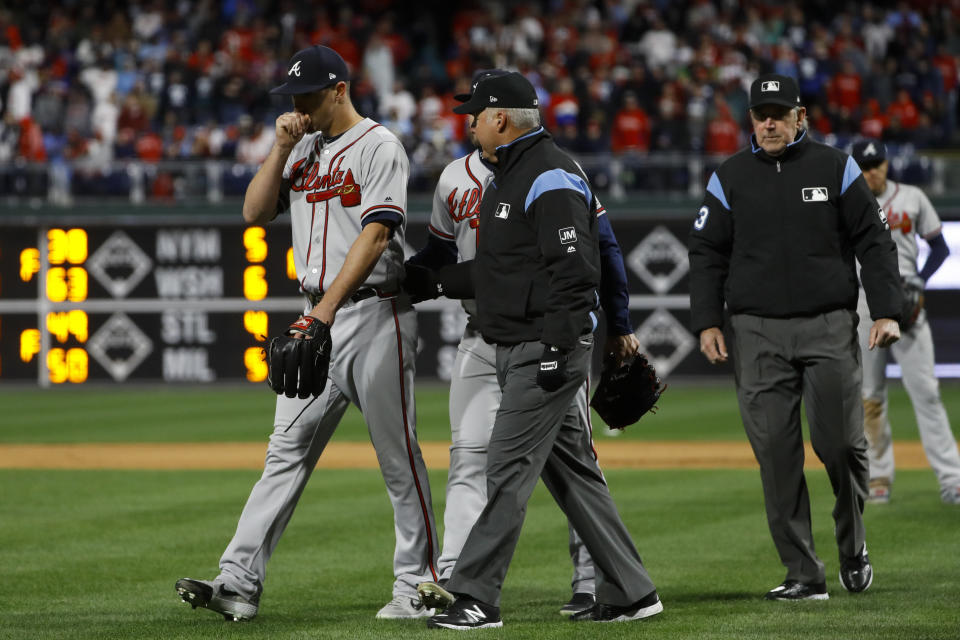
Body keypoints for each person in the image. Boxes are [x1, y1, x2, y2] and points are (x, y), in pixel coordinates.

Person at [174, 45, 439, 621]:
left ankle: (417, 586)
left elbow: (375, 238)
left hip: (375, 316)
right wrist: (280, 147)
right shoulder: (304, 149)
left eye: (309, 95)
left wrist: (324, 315)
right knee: (284, 454)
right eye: (293, 96)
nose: (298, 105)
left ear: (340, 89)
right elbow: (252, 212)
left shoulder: (380, 146)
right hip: (316, 314)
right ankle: (238, 581)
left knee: (398, 459)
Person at [405, 71, 661, 629]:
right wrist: (434, 282)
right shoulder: (511, 174)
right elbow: (504, 271)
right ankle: (633, 592)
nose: (468, 121)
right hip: (519, 339)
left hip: (541, 345)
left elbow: (575, 271)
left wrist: (557, 346)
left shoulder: (550, 175)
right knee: (574, 475)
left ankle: (475, 595)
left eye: (475, 112)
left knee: (506, 466)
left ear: (501, 118)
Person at [688, 74, 903, 601]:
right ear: (750, 120)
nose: (769, 122)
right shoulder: (730, 176)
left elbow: (874, 241)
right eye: (761, 113)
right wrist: (707, 321)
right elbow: (707, 253)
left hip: (827, 324)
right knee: (777, 455)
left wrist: (885, 311)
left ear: (799, 117)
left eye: (779, 114)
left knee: (840, 445)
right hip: (755, 331)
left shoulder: (835, 166)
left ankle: (853, 546)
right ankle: (804, 574)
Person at [850, 139, 960, 505]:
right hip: (866, 304)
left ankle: (952, 478)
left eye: (877, 164)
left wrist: (919, 280)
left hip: (908, 299)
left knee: (927, 392)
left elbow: (940, 246)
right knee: (870, 398)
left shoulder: (911, 196)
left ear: (886, 164)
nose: (873, 171)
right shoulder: (846, 202)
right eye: (865, 166)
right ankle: (879, 476)